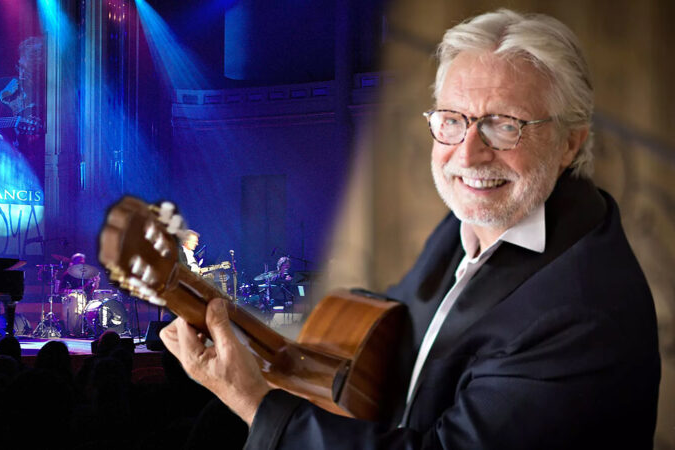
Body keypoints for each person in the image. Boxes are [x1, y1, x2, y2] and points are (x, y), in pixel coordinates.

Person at [160, 9, 660, 449]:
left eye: (505, 125)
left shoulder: (581, 312)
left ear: (570, 142)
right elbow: (398, 335)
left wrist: (254, 401)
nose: (468, 155)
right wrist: (272, 349)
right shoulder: (473, 221)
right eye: (451, 120)